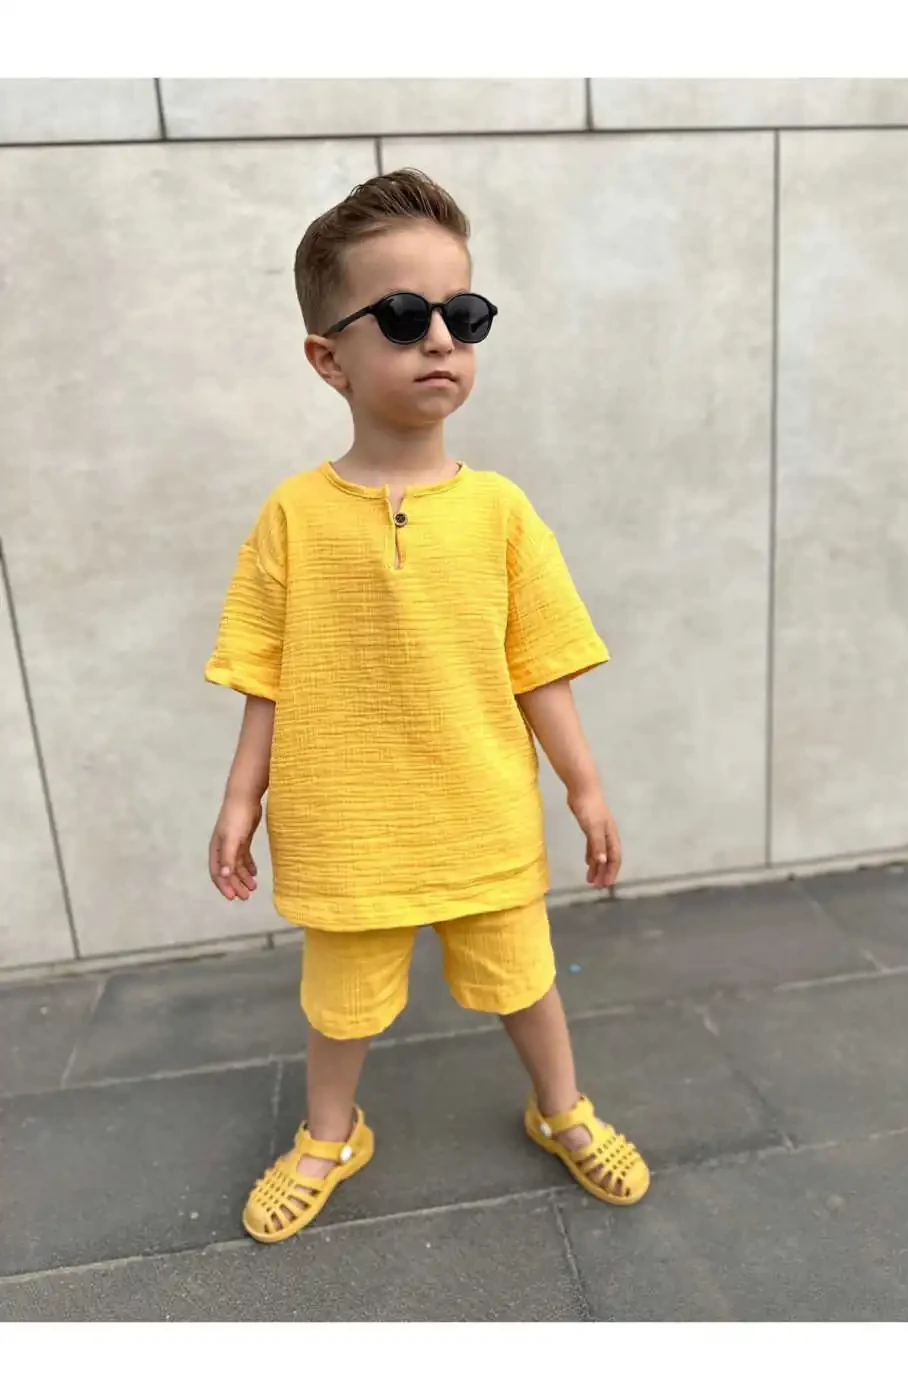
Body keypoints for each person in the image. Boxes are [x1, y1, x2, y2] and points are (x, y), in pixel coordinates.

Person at [205, 168, 650, 1244]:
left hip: (479, 809)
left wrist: (585, 787)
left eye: (466, 314)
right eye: (403, 316)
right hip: (344, 819)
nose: (441, 338)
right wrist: (240, 799)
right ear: (329, 358)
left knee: (524, 978)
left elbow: (540, 665)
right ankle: (329, 1133)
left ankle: (562, 1109)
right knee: (339, 1002)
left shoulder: (500, 511)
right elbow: (266, 672)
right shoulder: (292, 516)